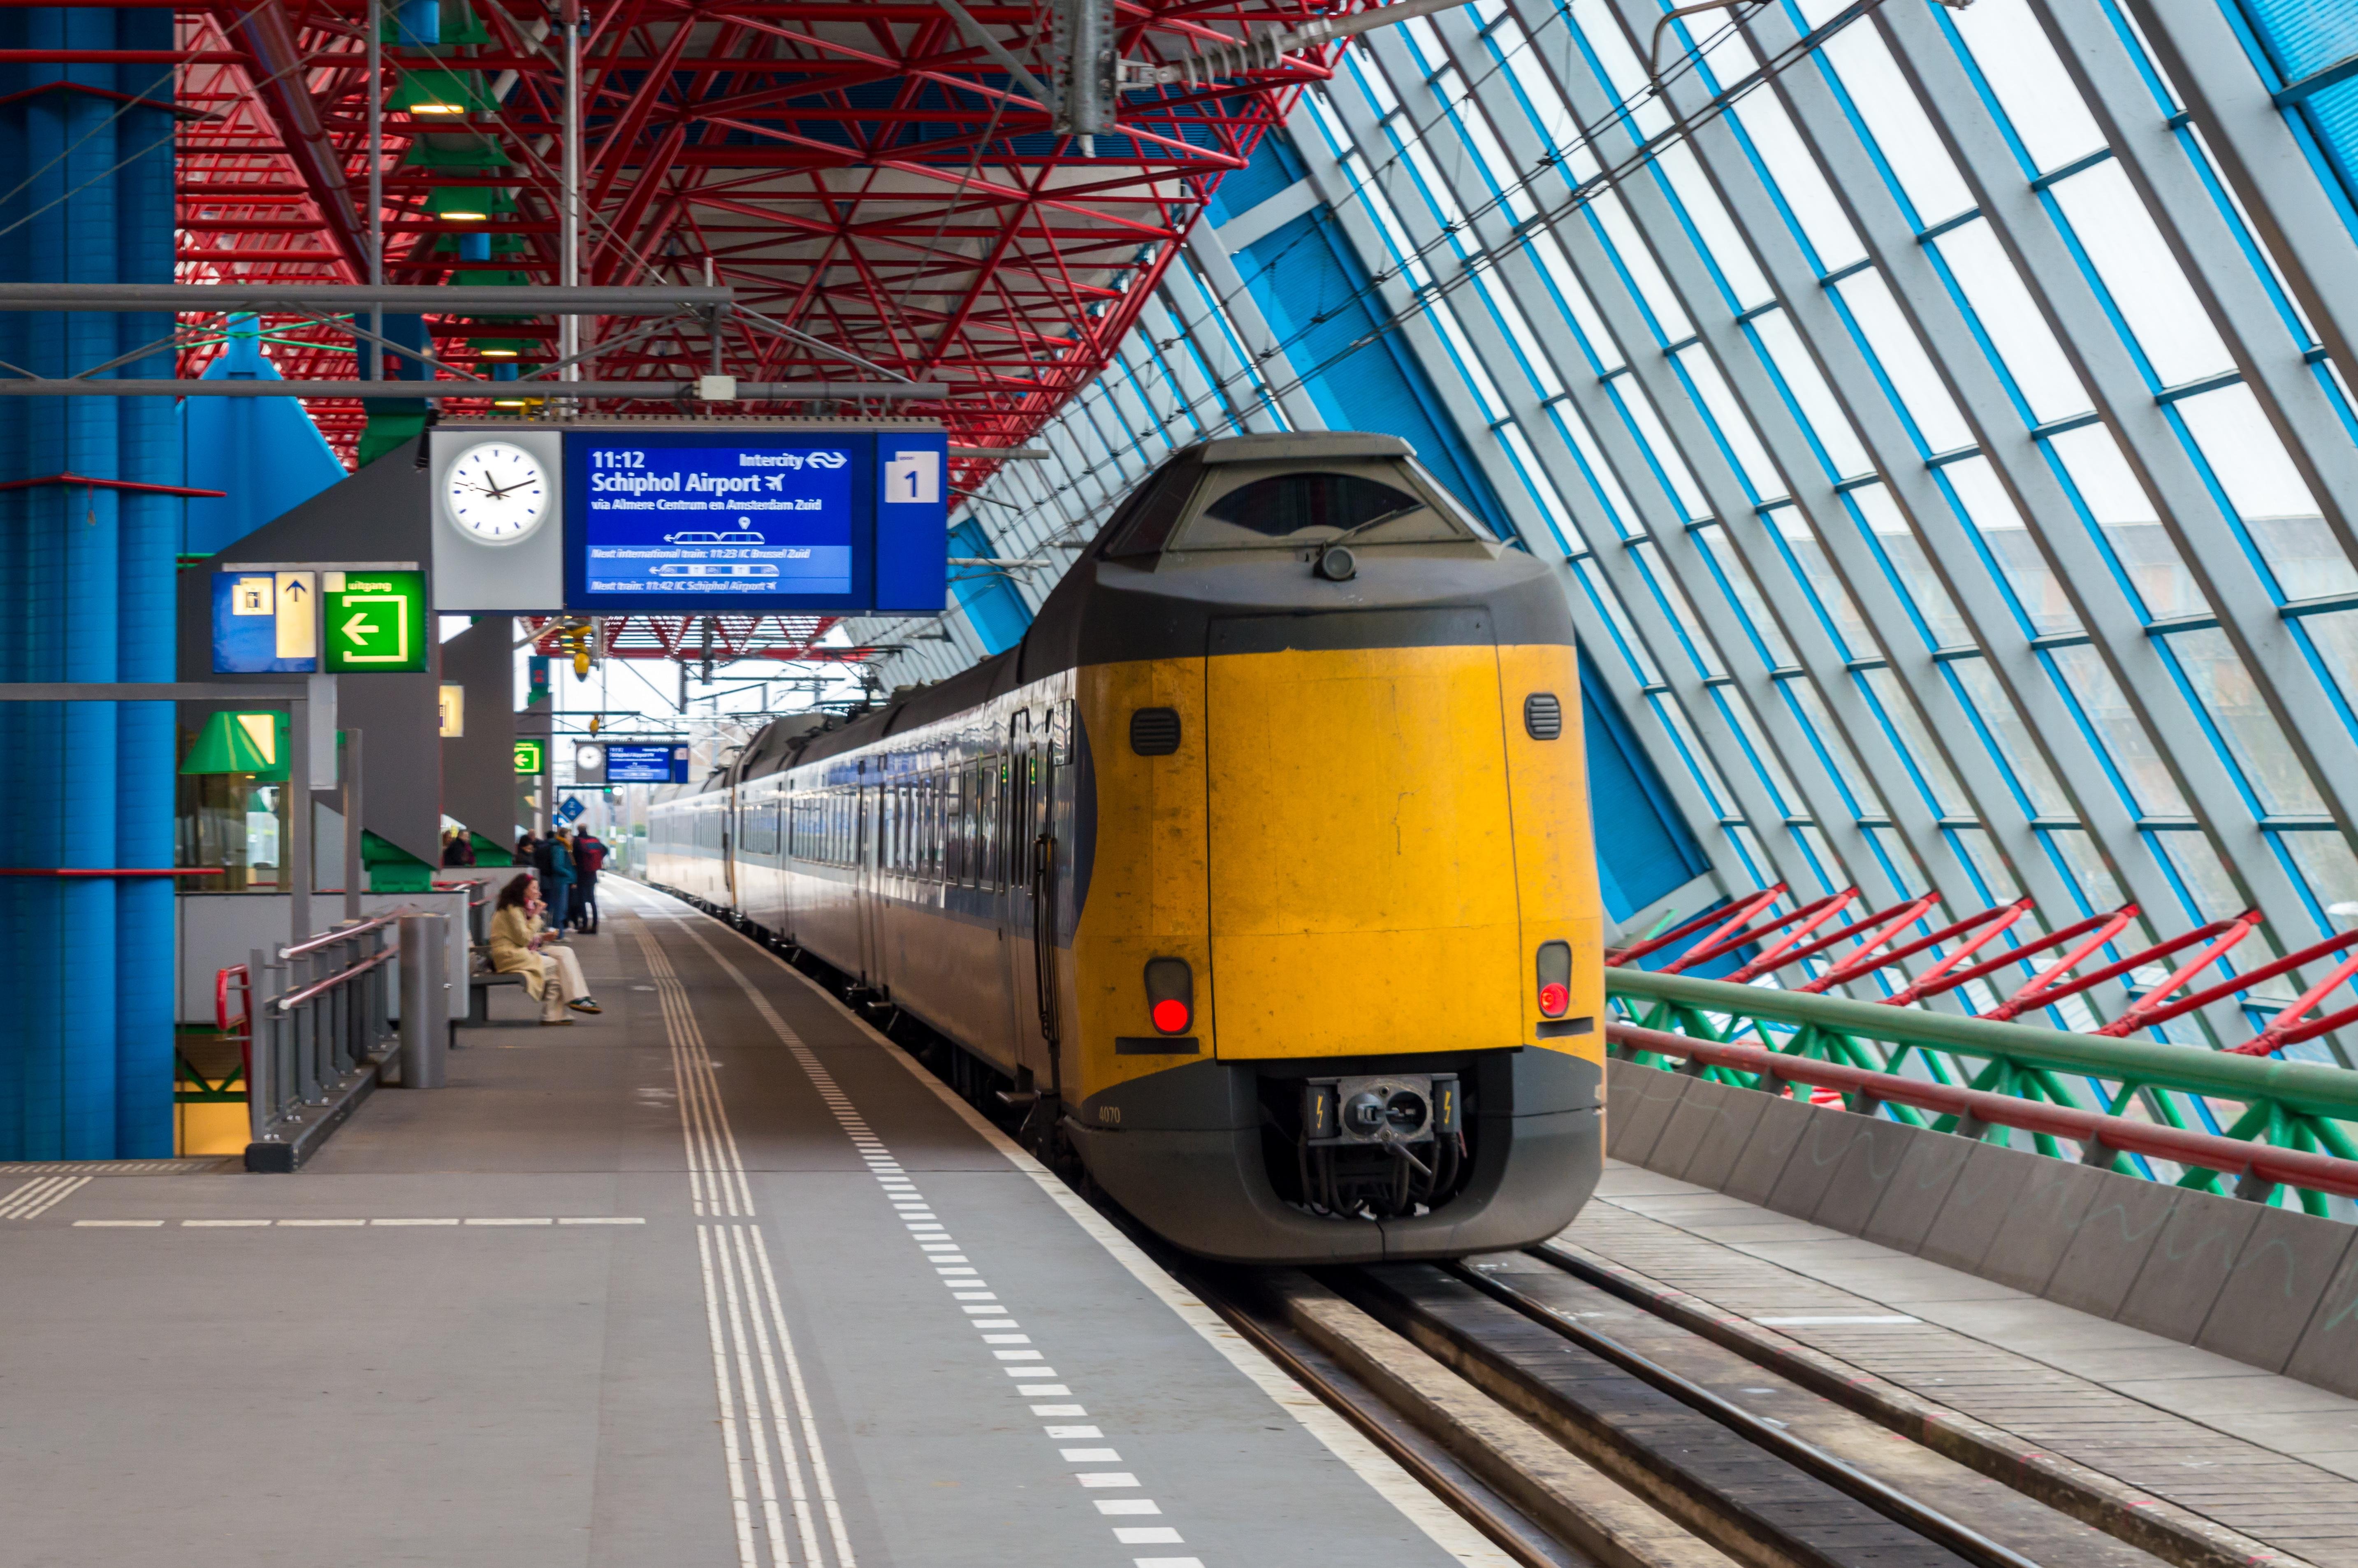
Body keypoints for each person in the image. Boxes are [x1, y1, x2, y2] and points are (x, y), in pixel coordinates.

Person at [488, 872, 601, 1022]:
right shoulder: (512, 909)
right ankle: (568, 1004)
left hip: (522, 951)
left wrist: (542, 937)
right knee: (556, 966)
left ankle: (564, 1008)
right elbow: (523, 939)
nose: (538, 892)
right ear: (523, 890)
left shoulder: (521, 907)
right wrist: (536, 916)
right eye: (534, 888)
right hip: (510, 955)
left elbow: (523, 938)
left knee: (565, 952)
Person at [533, 828, 576, 932]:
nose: (572, 837)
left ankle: (558, 932)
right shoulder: (559, 848)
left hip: (563, 880)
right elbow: (558, 866)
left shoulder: (564, 847)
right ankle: (558, 933)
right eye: (570, 835)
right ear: (565, 836)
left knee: (561, 908)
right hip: (561, 881)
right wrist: (570, 874)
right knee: (560, 908)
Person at [571, 828, 605, 933]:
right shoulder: (595, 840)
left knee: (582, 901)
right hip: (592, 875)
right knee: (592, 901)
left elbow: (574, 856)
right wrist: (598, 860)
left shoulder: (577, 842)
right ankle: (595, 925)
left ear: (578, 831)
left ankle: (585, 925)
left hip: (582, 874)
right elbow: (605, 850)